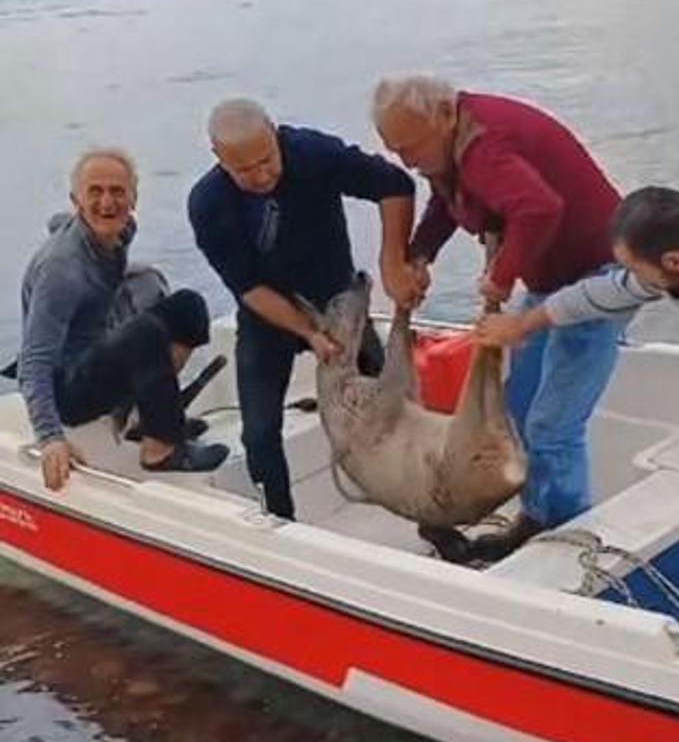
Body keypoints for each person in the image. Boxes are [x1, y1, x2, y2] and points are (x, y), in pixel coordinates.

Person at [373, 75, 622, 553]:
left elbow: (538, 208)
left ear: (444, 115)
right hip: (552, 281)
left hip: (599, 276)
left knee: (552, 425)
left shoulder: (486, 147)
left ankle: (572, 542)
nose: (406, 161)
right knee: (521, 403)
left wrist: (502, 276)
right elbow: (447, 203)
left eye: (411, 147)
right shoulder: (447, 142)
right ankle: (538, 518)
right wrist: (419, 254)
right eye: (394, 150)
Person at [188, 97, 422, 519]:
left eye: (267, 160)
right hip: (268, 319)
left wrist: (393, 263)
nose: (261, 176)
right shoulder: (208, 204)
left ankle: (423, 510)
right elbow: (249, 287)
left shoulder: (313, 154)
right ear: (218, 158)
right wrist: (309, 333)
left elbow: (395, 185)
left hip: (340, 306)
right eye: (244, 170)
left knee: (394, 409)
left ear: (276, 134)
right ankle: (281, 521)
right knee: (259, 435)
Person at [19, 149, 228, 492]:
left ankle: (153, 420)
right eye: (95, 192)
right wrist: (49, 438)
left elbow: (59, 225)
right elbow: (34, 361)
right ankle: (161, 449)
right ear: (77, 200)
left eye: (117, 191)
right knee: (143, 333)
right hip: (68, 389)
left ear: (134, 198)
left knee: (188, 307)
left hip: (95, 351)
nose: (107, 202)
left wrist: (125, 273)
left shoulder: (119, 231)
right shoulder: (61, 271)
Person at [476, 185, 679, 354]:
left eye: (636, 269)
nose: (635, 280)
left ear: (673, 262)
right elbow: (601, 293)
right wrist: (522, 324)